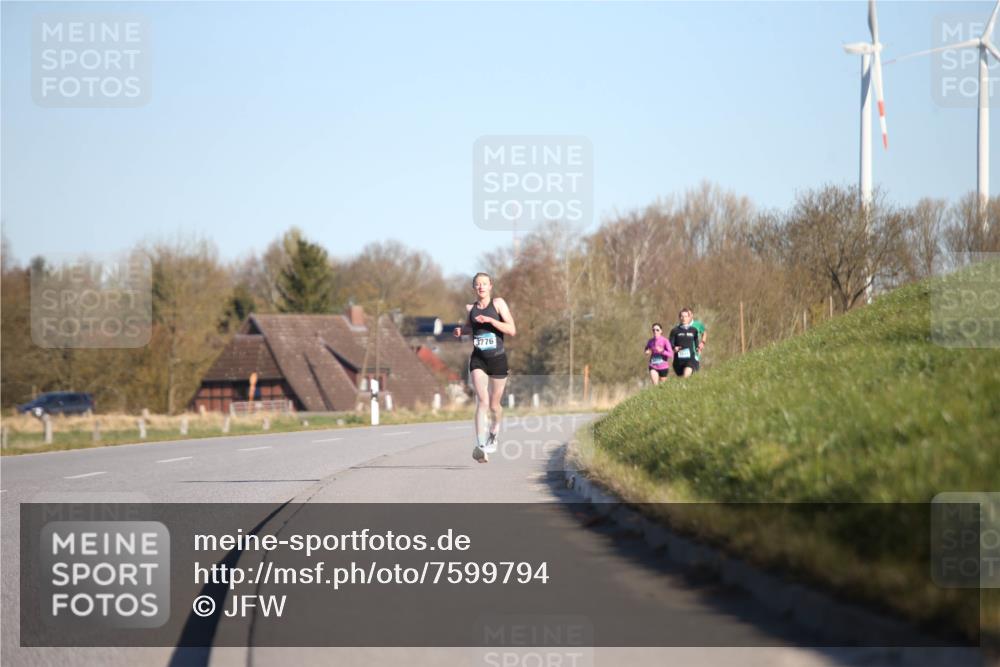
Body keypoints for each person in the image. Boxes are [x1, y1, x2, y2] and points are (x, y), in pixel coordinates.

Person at [453, 272, 516, 463]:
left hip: (497, 359)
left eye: (484, 284)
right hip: (478, 359)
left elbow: (511, 330)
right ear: (474, 288)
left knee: (495, 405)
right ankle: (481, 446)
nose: (481, 287)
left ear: (490, 286)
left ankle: (494, 432)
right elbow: (470, 327)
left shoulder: (498, 304)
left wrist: (490, 321)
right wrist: (461, 331)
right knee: (482, 401)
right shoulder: (471, 308)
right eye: (477, 284)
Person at [669, 308, 702, 378]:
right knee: (682, 379)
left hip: (690, 359)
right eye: (682, 316)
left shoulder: (693, 330)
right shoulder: (675, 330)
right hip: (678, 360)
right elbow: (670, 343)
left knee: (686, 375)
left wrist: (697, 348)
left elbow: (696, 340)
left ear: (689, 318)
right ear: (679, 318)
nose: (683, 318)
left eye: (686, 316)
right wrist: (674, 347)